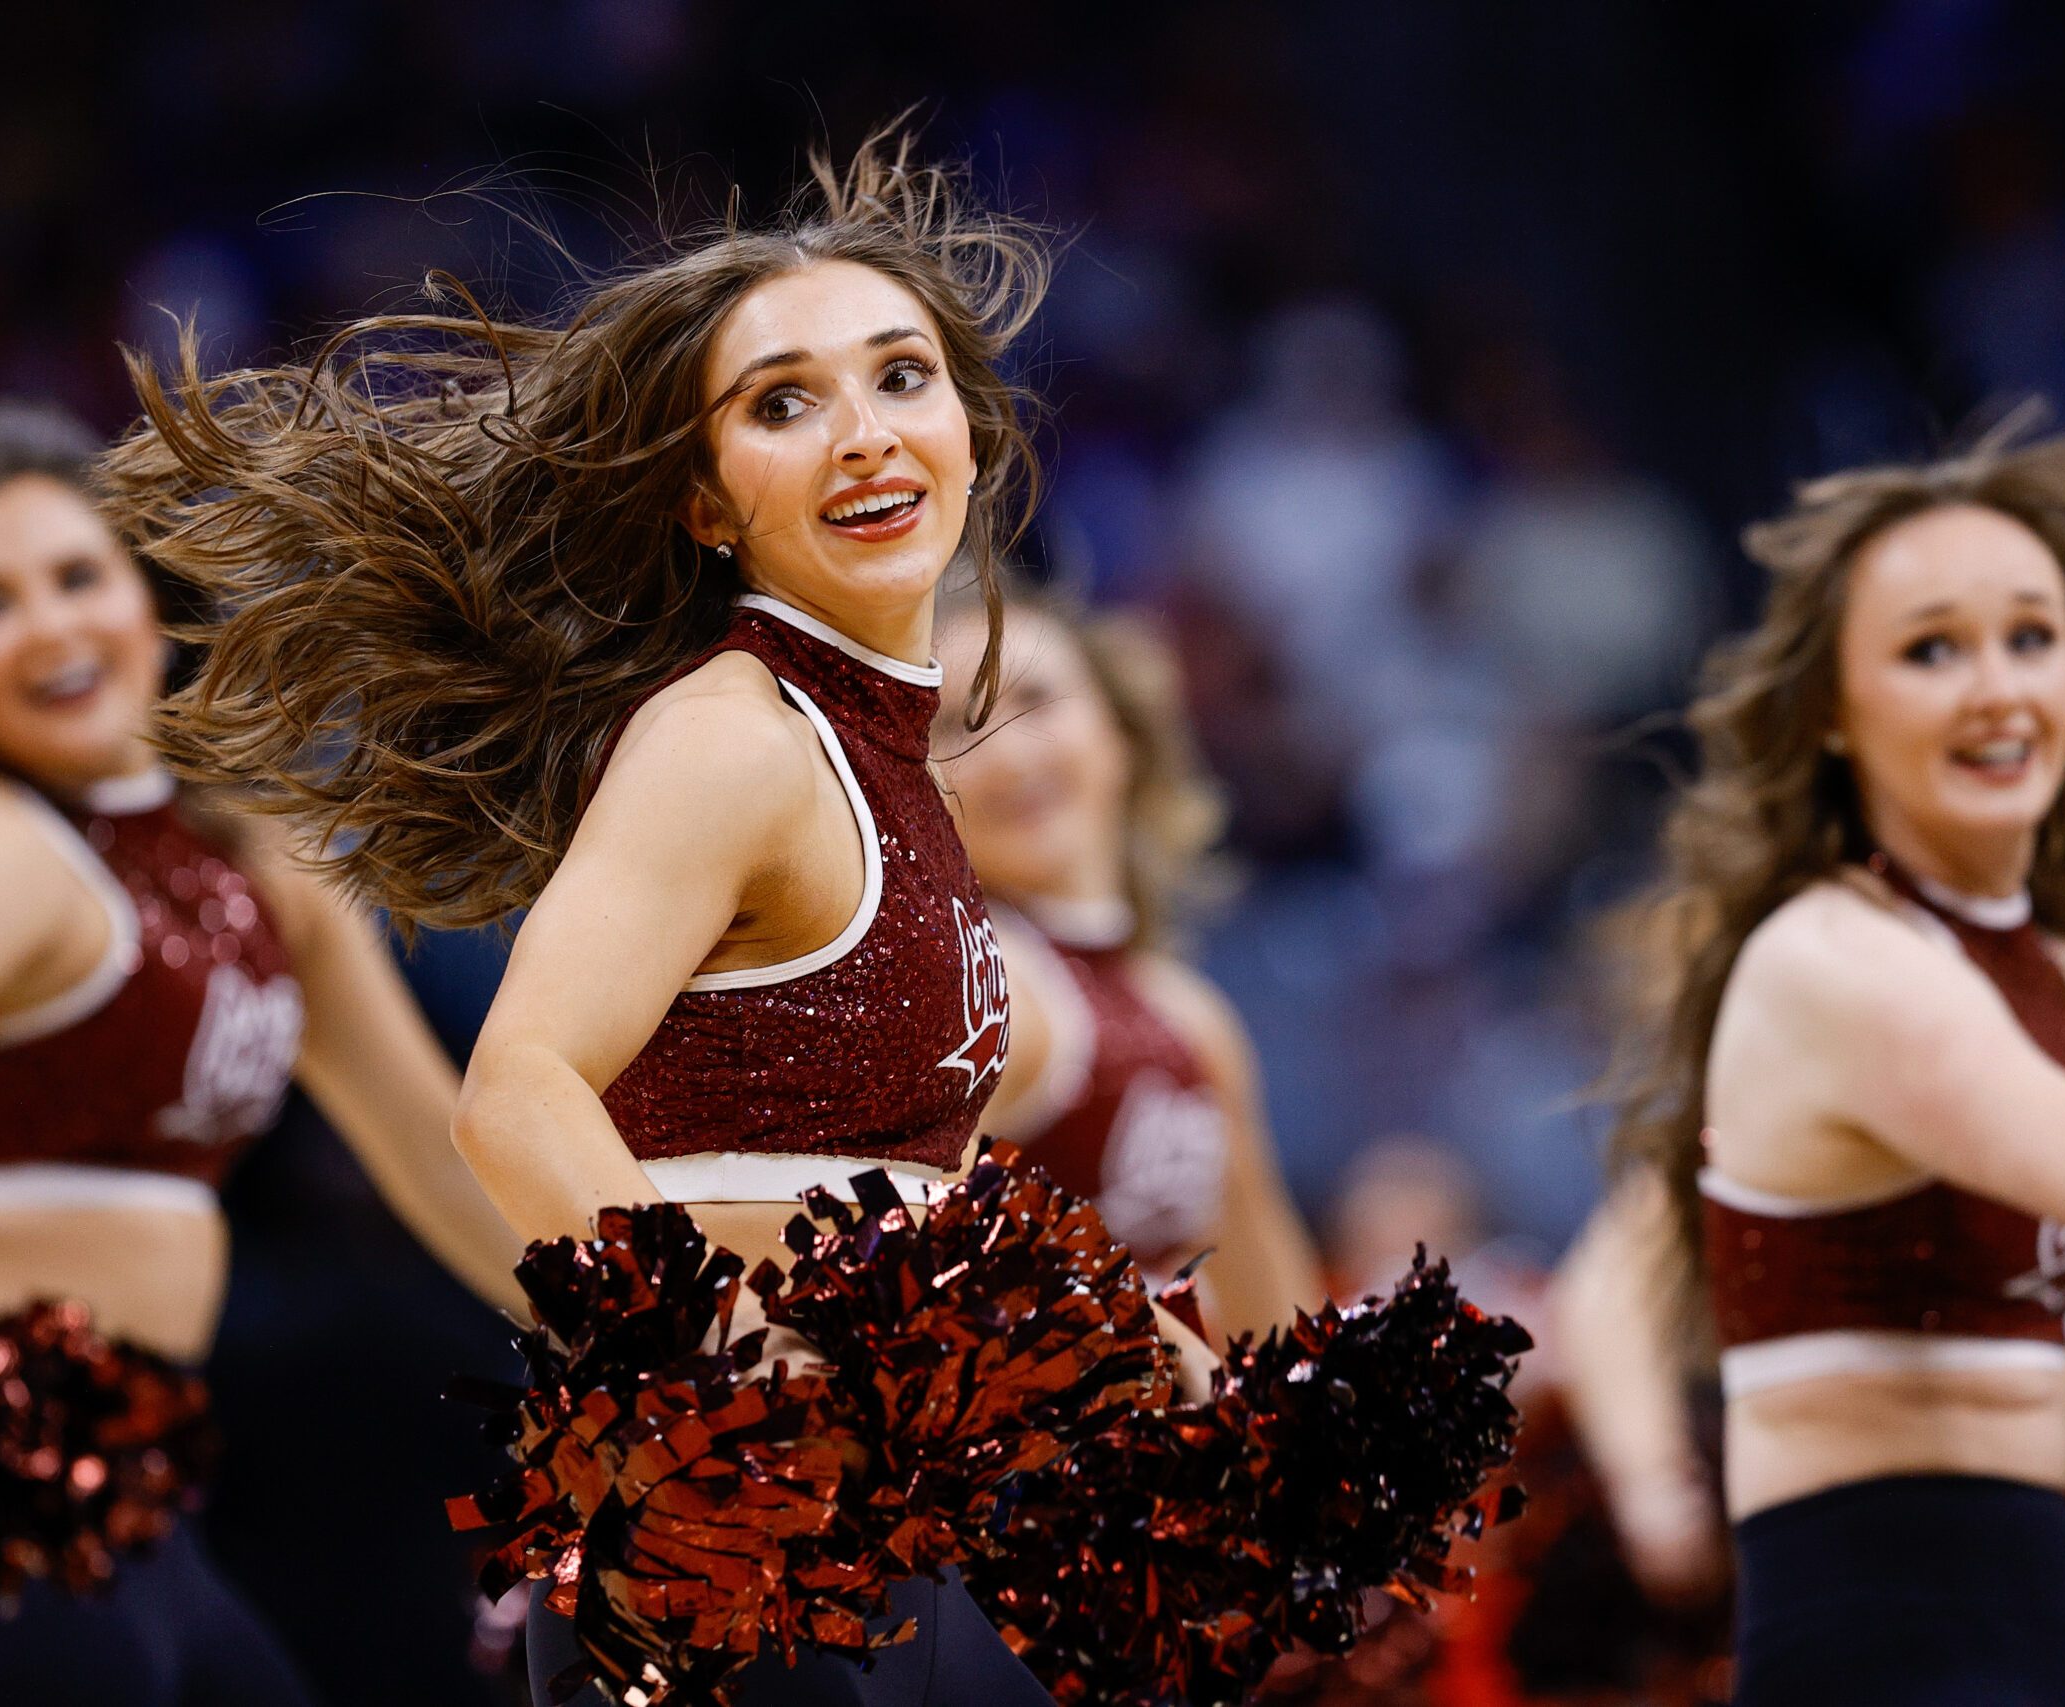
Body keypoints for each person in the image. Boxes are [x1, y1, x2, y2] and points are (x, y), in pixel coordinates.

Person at [102, 130, 1073, 1706]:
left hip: (888, 1497)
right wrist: (726, 1372)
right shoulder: (733, 733)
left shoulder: (884, 761)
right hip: (747, 1509)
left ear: (970, 429)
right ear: (702, 502)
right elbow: (520, 1086)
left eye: (901, 378)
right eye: (782, 403)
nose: (864, 436)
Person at [0, 397, 523, 1707]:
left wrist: (642, 1325)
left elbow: (435, 1148)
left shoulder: (260, 858)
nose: (47, 624)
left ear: (144, 600)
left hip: (138, 1502)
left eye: (75, 576)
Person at [1602, 411, 2065, 1706]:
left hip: (2041, 1621)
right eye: (1930, 649)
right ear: (1836, 715)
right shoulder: (1832, 962)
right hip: (1882, 1639)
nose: (1998, 687)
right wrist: (1643, 1478)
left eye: (2031, 635)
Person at [929, 591, 1322, 1338]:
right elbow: (893, 1269)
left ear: (1122, 735)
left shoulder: (1190, 1016)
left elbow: (1280, 1329)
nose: (1008, 753)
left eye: (1036, 699)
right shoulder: (977, 987)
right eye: (955, 727)